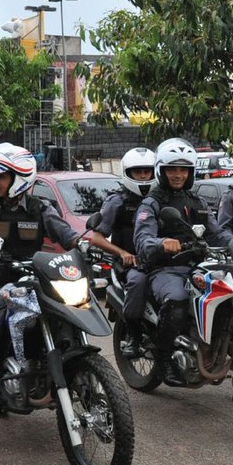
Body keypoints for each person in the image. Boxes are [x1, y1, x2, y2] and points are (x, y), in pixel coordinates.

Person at [0, 143, 81, 461]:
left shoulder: (39, 208)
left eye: (1, 175)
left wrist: (85, 244)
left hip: (35, 285)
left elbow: (67, 234)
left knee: (72, 323)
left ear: (20, 177)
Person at [133, 138, 233, 386]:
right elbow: (142, 239)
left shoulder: (197, 202)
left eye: (183, 170)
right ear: (161, 171)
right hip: (167, 269)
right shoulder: (152, 203)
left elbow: (217, 233)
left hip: (200, 267)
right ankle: (164, 359)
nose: (178, 175)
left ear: (191, 172)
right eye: (172, 169)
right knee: (177, 300)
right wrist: (161, 243)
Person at [87, 147, 156, 357]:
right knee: (137, 283)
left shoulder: (160, 198)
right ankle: (134, 337)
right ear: (128, 173)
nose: (144, 176)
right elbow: (96, 237)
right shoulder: (117, 201)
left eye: (148, 171)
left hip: (159, 260)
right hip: (130, 264)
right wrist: (123, 253)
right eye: (138, 172)